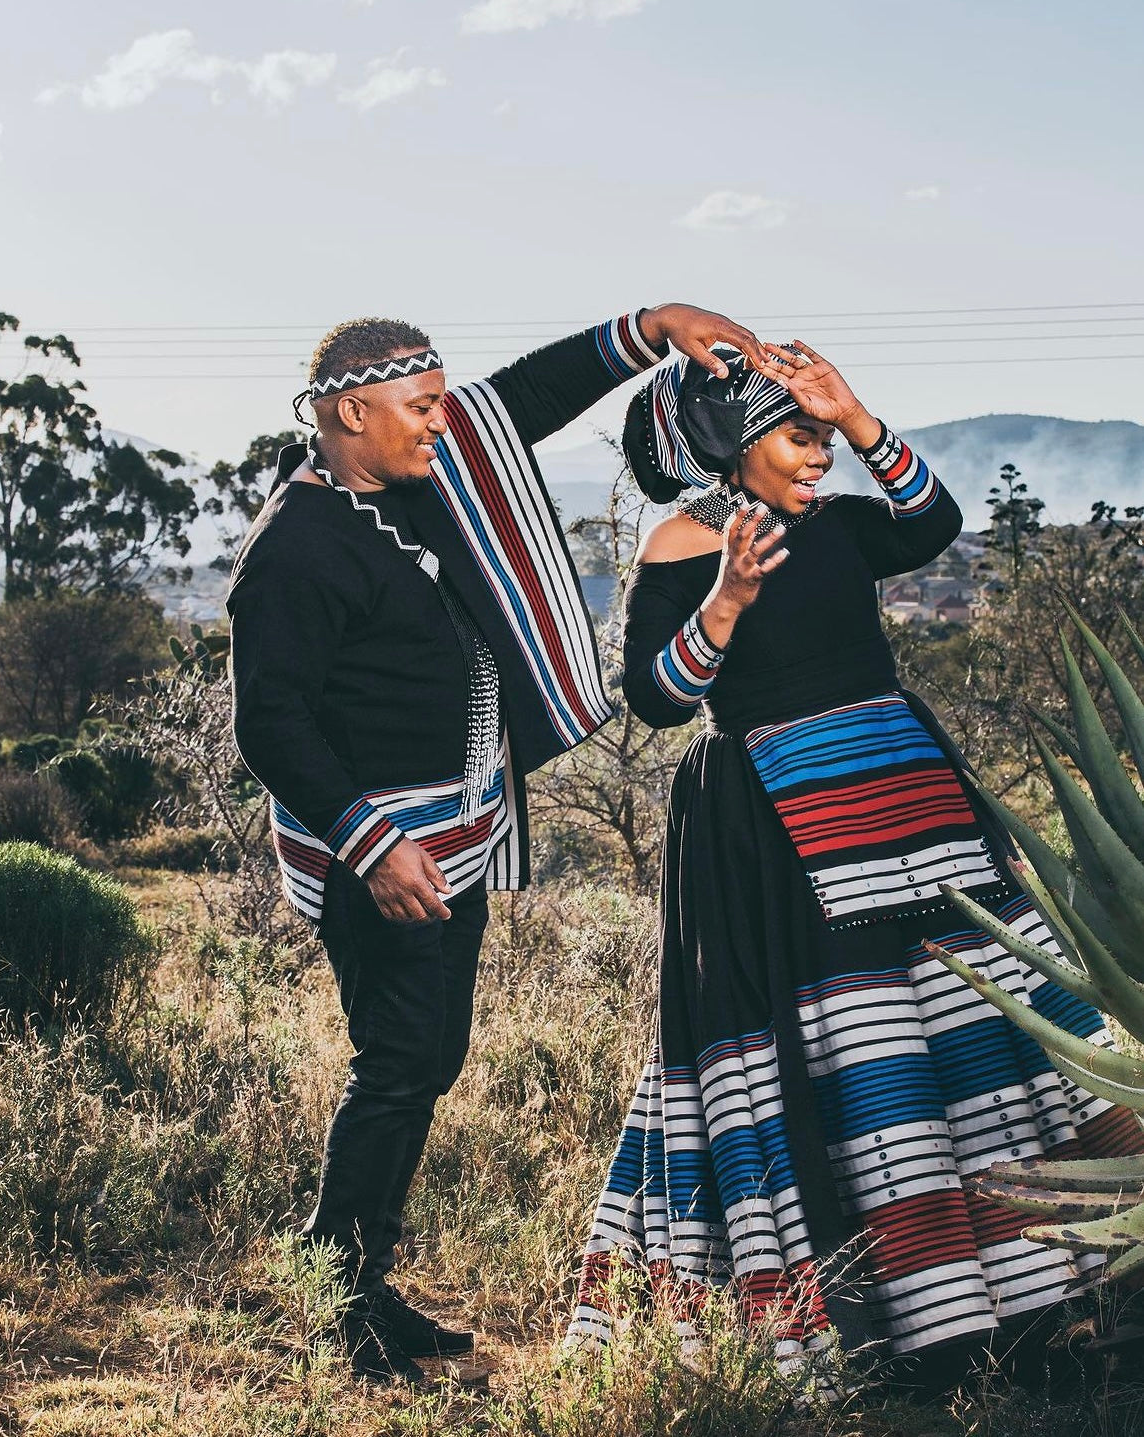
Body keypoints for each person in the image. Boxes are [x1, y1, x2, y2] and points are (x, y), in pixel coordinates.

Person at [567, 341, 1144, 1388]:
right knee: (861, 1046)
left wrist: (858, 414)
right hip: (779, 830)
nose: (820, 456)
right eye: (800, 437)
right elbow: (654, 696)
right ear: (733, 445)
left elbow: (933, 524)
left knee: (983, 1015)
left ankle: (1045, 1283)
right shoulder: (680, 543)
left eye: (825, 440)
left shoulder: (836, 526)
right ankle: (919, 1313)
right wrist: (725, 599)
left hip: (910, 800)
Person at [226, 301, 767, 1383]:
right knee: (396, 1065)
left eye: (442, 404)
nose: (445, 423)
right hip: (385, 859)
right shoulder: (296, 549)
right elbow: (270, 723)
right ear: (350, 412)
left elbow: (523, 397)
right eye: (423, 407)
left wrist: (651, 326)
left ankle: (361, 1280)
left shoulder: (414, 478)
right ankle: (340, 1302)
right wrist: (373, 848)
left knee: (428, 1058)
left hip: (452, 840)